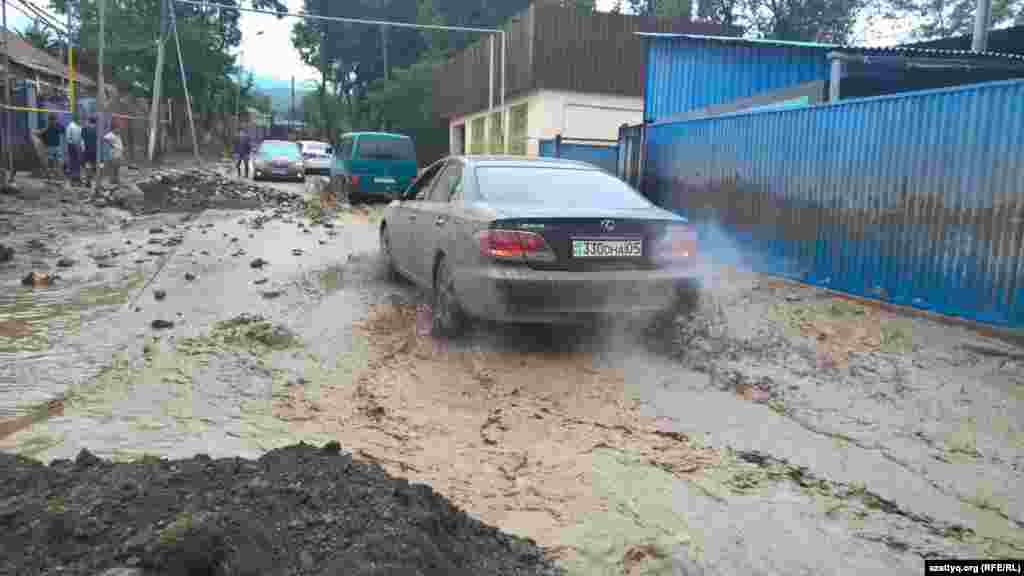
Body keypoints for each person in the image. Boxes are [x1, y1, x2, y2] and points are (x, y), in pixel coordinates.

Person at [35, 113, 64, 180]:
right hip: (51, 147)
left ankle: (55, 174)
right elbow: (40, 134)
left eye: (54, 120)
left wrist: (38, 133)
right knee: (52, 161)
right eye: (53, 120)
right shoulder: (49, 127)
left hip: (55, 147)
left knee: (56, 161)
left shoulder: (54, 127)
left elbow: (62, 130)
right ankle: (52, 175)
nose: (53, 121)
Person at [102, 120, 124, 185]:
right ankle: (112, 182)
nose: (119, 130)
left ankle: (116, 181)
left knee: (117, 169)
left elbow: (119, 144)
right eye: (118, 128)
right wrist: (111, 145)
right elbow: (104, 139)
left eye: (119, 128)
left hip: (118, 155)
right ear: (114, 129)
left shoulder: (118, 135)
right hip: (113, 156)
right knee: (113, 170)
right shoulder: (110, 135)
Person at [65, 114, 83, 185]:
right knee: (73, 162)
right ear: (76, 119)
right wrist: (73, 144)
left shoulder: (79, 126)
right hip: (72, 146)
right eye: (79, 119)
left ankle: (77, 178)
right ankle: (72, 179)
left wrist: (81, 146)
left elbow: (81, 137)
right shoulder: (70, 126)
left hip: (78, 146)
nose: (80, 120)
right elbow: (68, 138)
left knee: (78, 162)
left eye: (80, 119)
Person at [81, 116, 98, 186]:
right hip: (94, 150)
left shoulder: (84, 129)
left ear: (89, 121)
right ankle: (90, 180)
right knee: (93, 166)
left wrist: (82, 149)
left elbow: (82, 139)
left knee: (87, 165)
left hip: (87, 150)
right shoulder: (97, 130)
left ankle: (88, 181)